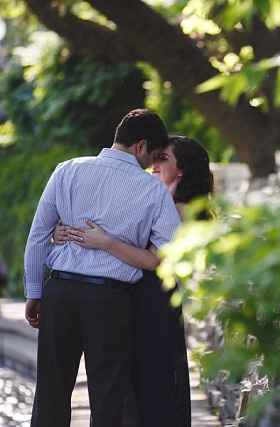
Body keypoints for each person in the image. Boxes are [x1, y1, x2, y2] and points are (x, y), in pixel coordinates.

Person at [24, 109, 181, 427]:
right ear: (140, 146)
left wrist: (34, 293)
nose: (152, 166)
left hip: (60, 292)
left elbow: (38, 235)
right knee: (108, 395)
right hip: (110, 300)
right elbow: (173, 254)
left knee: (51, 392)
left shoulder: (67, 170)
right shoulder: (152, 191)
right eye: (153, 156)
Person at [54, 136, 214, 427]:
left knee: (151, 390)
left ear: (182, 170)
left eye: (163, 159)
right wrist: (60, 232)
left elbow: (156, 261)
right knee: (127, 389)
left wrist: (105, 242)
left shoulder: (180, 210)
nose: (154, 163)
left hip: (153, 305)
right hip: (134, 301)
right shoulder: (152, 198)